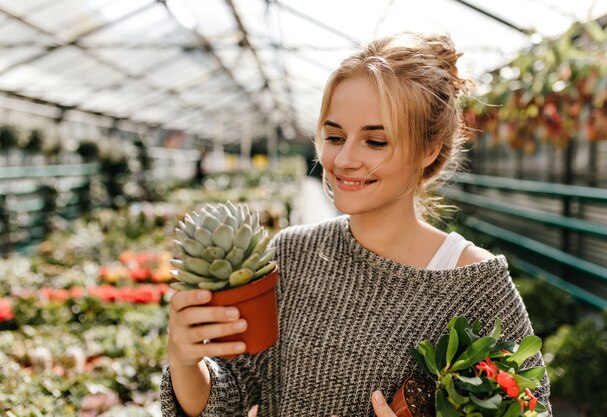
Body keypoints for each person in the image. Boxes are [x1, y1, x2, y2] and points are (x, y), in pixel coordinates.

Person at [161, 32, 551, 417]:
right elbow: (233, 393)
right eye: (334, 136)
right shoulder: (292, 253)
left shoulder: (472, 284)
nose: (344, 159)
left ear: (428, 150)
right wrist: (183, 361)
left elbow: (531, 408)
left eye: (375, 142)